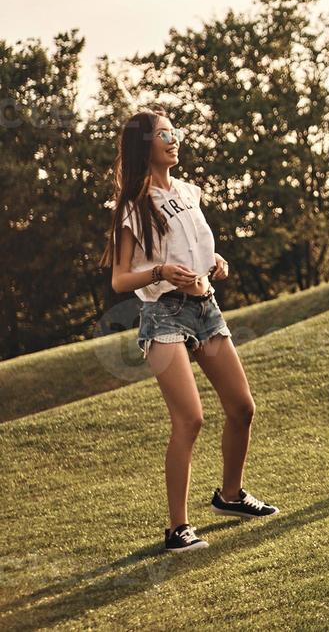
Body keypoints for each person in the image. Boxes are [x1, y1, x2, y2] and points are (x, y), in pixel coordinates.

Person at [104, 110, 278, 554]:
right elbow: (121, 279)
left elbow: (201, 249)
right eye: (164, 134)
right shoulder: (134, 206)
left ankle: (231, 497)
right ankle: (177, 528)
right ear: (146, 144)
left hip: (205, 308)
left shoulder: (186, 191)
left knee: (242, 408)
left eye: (175, 132)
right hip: (163, 315)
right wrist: (160, 270)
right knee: (190, 419)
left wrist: (216, 264)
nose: (174, 139)